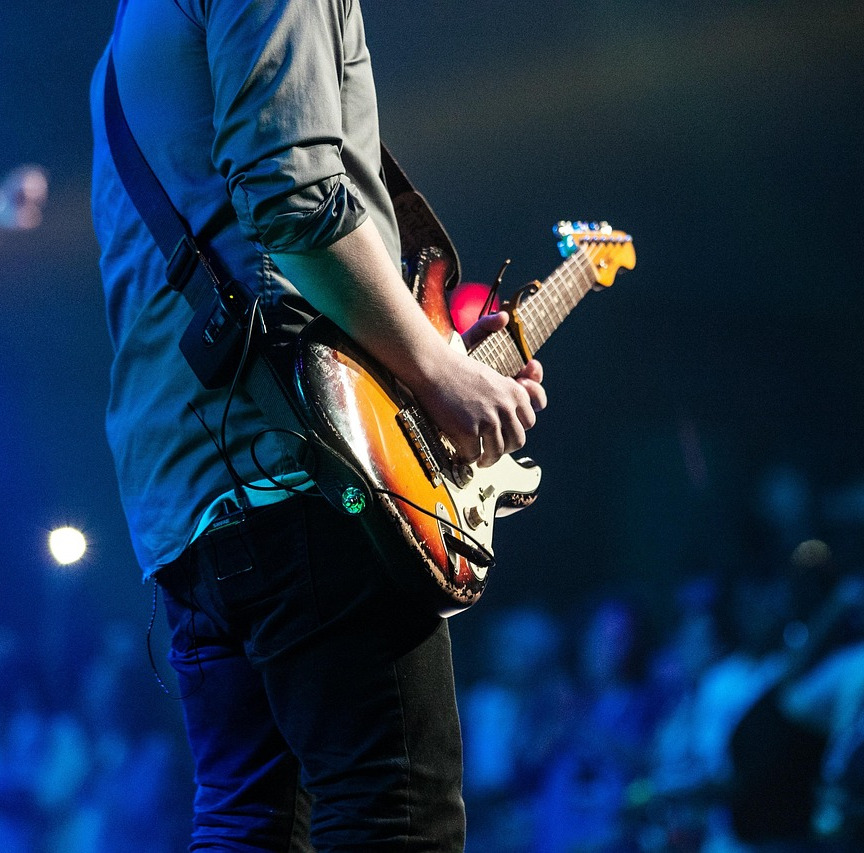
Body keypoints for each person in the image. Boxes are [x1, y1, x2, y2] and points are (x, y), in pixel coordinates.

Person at [89, 0, 546, 849]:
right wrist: (439, 370)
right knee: (394, 815)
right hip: (310, 471)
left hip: (189, 499)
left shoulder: (133, 27)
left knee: (248, 824)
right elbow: (294, 203)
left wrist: (432, 352)